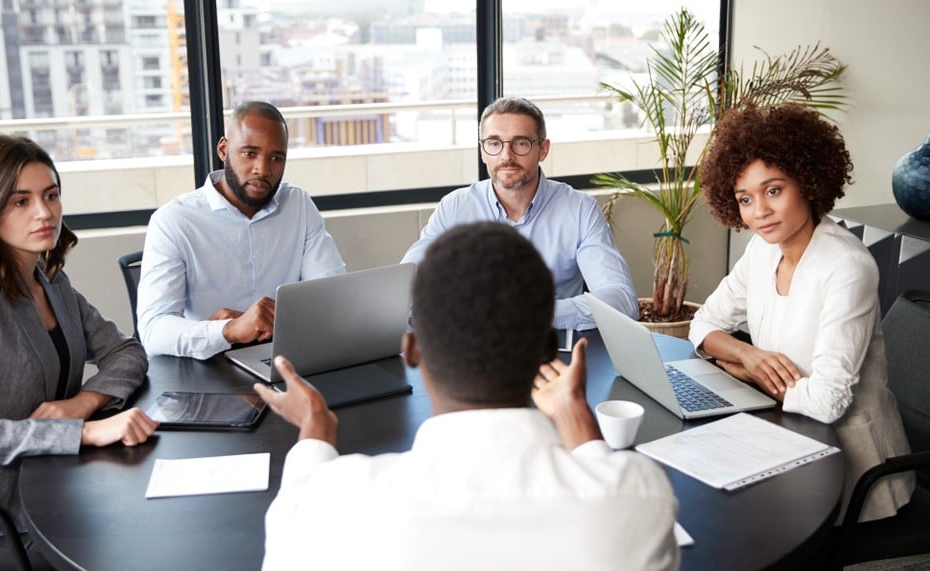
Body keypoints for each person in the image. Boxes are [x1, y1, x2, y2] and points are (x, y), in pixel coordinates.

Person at [257, 222, 678, 570]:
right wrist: (575, 420)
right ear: (549, 349)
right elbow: (610, 485)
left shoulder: (334, 507)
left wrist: (316, 430)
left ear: (412, 351)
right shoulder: (639, 499)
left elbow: (285, 542)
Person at [0, 135, 158, 570]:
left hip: (56, 490)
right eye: (21, 201)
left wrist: (82, 404)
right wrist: (85, 432)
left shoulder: (50, 280)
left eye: (51, 195)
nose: (44, 212)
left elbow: (127, 352)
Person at [691, 103, 914, 522]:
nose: (760, 211)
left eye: (773, 190)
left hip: (854, 474)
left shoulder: (846, 266)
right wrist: (747, 356)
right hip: (785, 440)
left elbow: (829, 402)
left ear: (809, 183)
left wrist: (746, 372)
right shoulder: (762, 249)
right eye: (745, 198)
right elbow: (704, 323)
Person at [400, 96, 638, 330]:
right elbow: (404, 289)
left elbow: (621, 300)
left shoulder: (580, 209)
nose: (506, 156)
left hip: (548, 350)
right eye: (494, 143)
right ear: (483, 151)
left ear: (543, 150)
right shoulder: (454, 207)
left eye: (521, 143)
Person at [137, 101, 346, 359]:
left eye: (276, 158)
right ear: (224, 149)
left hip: (283, 361)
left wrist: (273, 322)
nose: (263, 169)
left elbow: (332, 299)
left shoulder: (299, 205)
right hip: (207, 369)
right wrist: (229, 330)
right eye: (249, 153)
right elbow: (153, 331)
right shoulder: (174, 221)